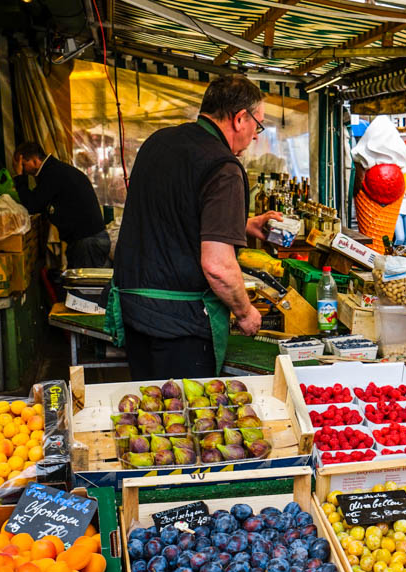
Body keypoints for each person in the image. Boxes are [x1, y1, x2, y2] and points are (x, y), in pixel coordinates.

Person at [109, 74, 282, 380]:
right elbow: (217, 266)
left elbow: (173, 218)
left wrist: (241, 225)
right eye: (258, 124)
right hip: (182, 329)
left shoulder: (157, 143)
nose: (256, 135)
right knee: (187, 421)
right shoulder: (223, 167)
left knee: (149, 420)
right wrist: (245, 312)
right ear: (240, 119)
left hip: (136, 313)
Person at [12, 142, 110, 269]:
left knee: (84, 288)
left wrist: (19, 177)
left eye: (23, 165)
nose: (23, 170)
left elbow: (33, 205)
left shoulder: (52, 173)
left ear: (35, 160)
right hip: (86, 240)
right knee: (78, 286)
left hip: (87, 242)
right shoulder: (54, 170)